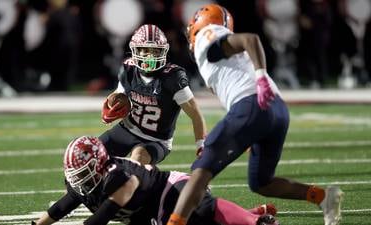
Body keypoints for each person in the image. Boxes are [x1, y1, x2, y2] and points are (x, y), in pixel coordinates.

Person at [166, 3, 343, 225]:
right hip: (276, 110)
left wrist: (260, 76)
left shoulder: (206, 36)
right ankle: (324, 197)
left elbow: (250, 39)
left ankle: (175, 222)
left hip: (252, 105)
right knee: (261, 182)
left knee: (199, 171)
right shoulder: (221, 56)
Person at [32, 135, 279, 225]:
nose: (79, 181)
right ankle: (252, 213)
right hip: (150, 214)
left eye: (84, 173)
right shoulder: (87, 183)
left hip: (170, 190)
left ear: (99, 166)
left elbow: (102, 217)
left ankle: (255, 222)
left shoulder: (117, 177)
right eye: (76, 174)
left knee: (203, 209)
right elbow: (62, 206)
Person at [99, 24, 206, 165]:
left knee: (137, 160)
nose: (147, 55)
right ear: (134, 50)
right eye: (143, 50)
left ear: (163, 52)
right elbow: (119, 94)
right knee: (95, 151)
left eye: (154, 51)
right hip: (128, 129)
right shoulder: (128, 69)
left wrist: (202, 145)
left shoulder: (173, 78)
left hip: (156, 140)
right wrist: (112, 103)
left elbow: (195, 114)